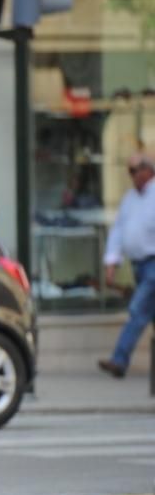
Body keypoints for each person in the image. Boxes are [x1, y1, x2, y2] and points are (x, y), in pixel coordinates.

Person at [97, 153, 155, 379]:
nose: (132, 176)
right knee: (144, 315)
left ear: (148, 170)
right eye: (129, 171)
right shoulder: (130, 199)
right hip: (138, 265)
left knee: (137, 309)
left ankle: (119, 360)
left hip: (153, 265)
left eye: (136, 170)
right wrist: (112, 261)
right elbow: (119, 230)